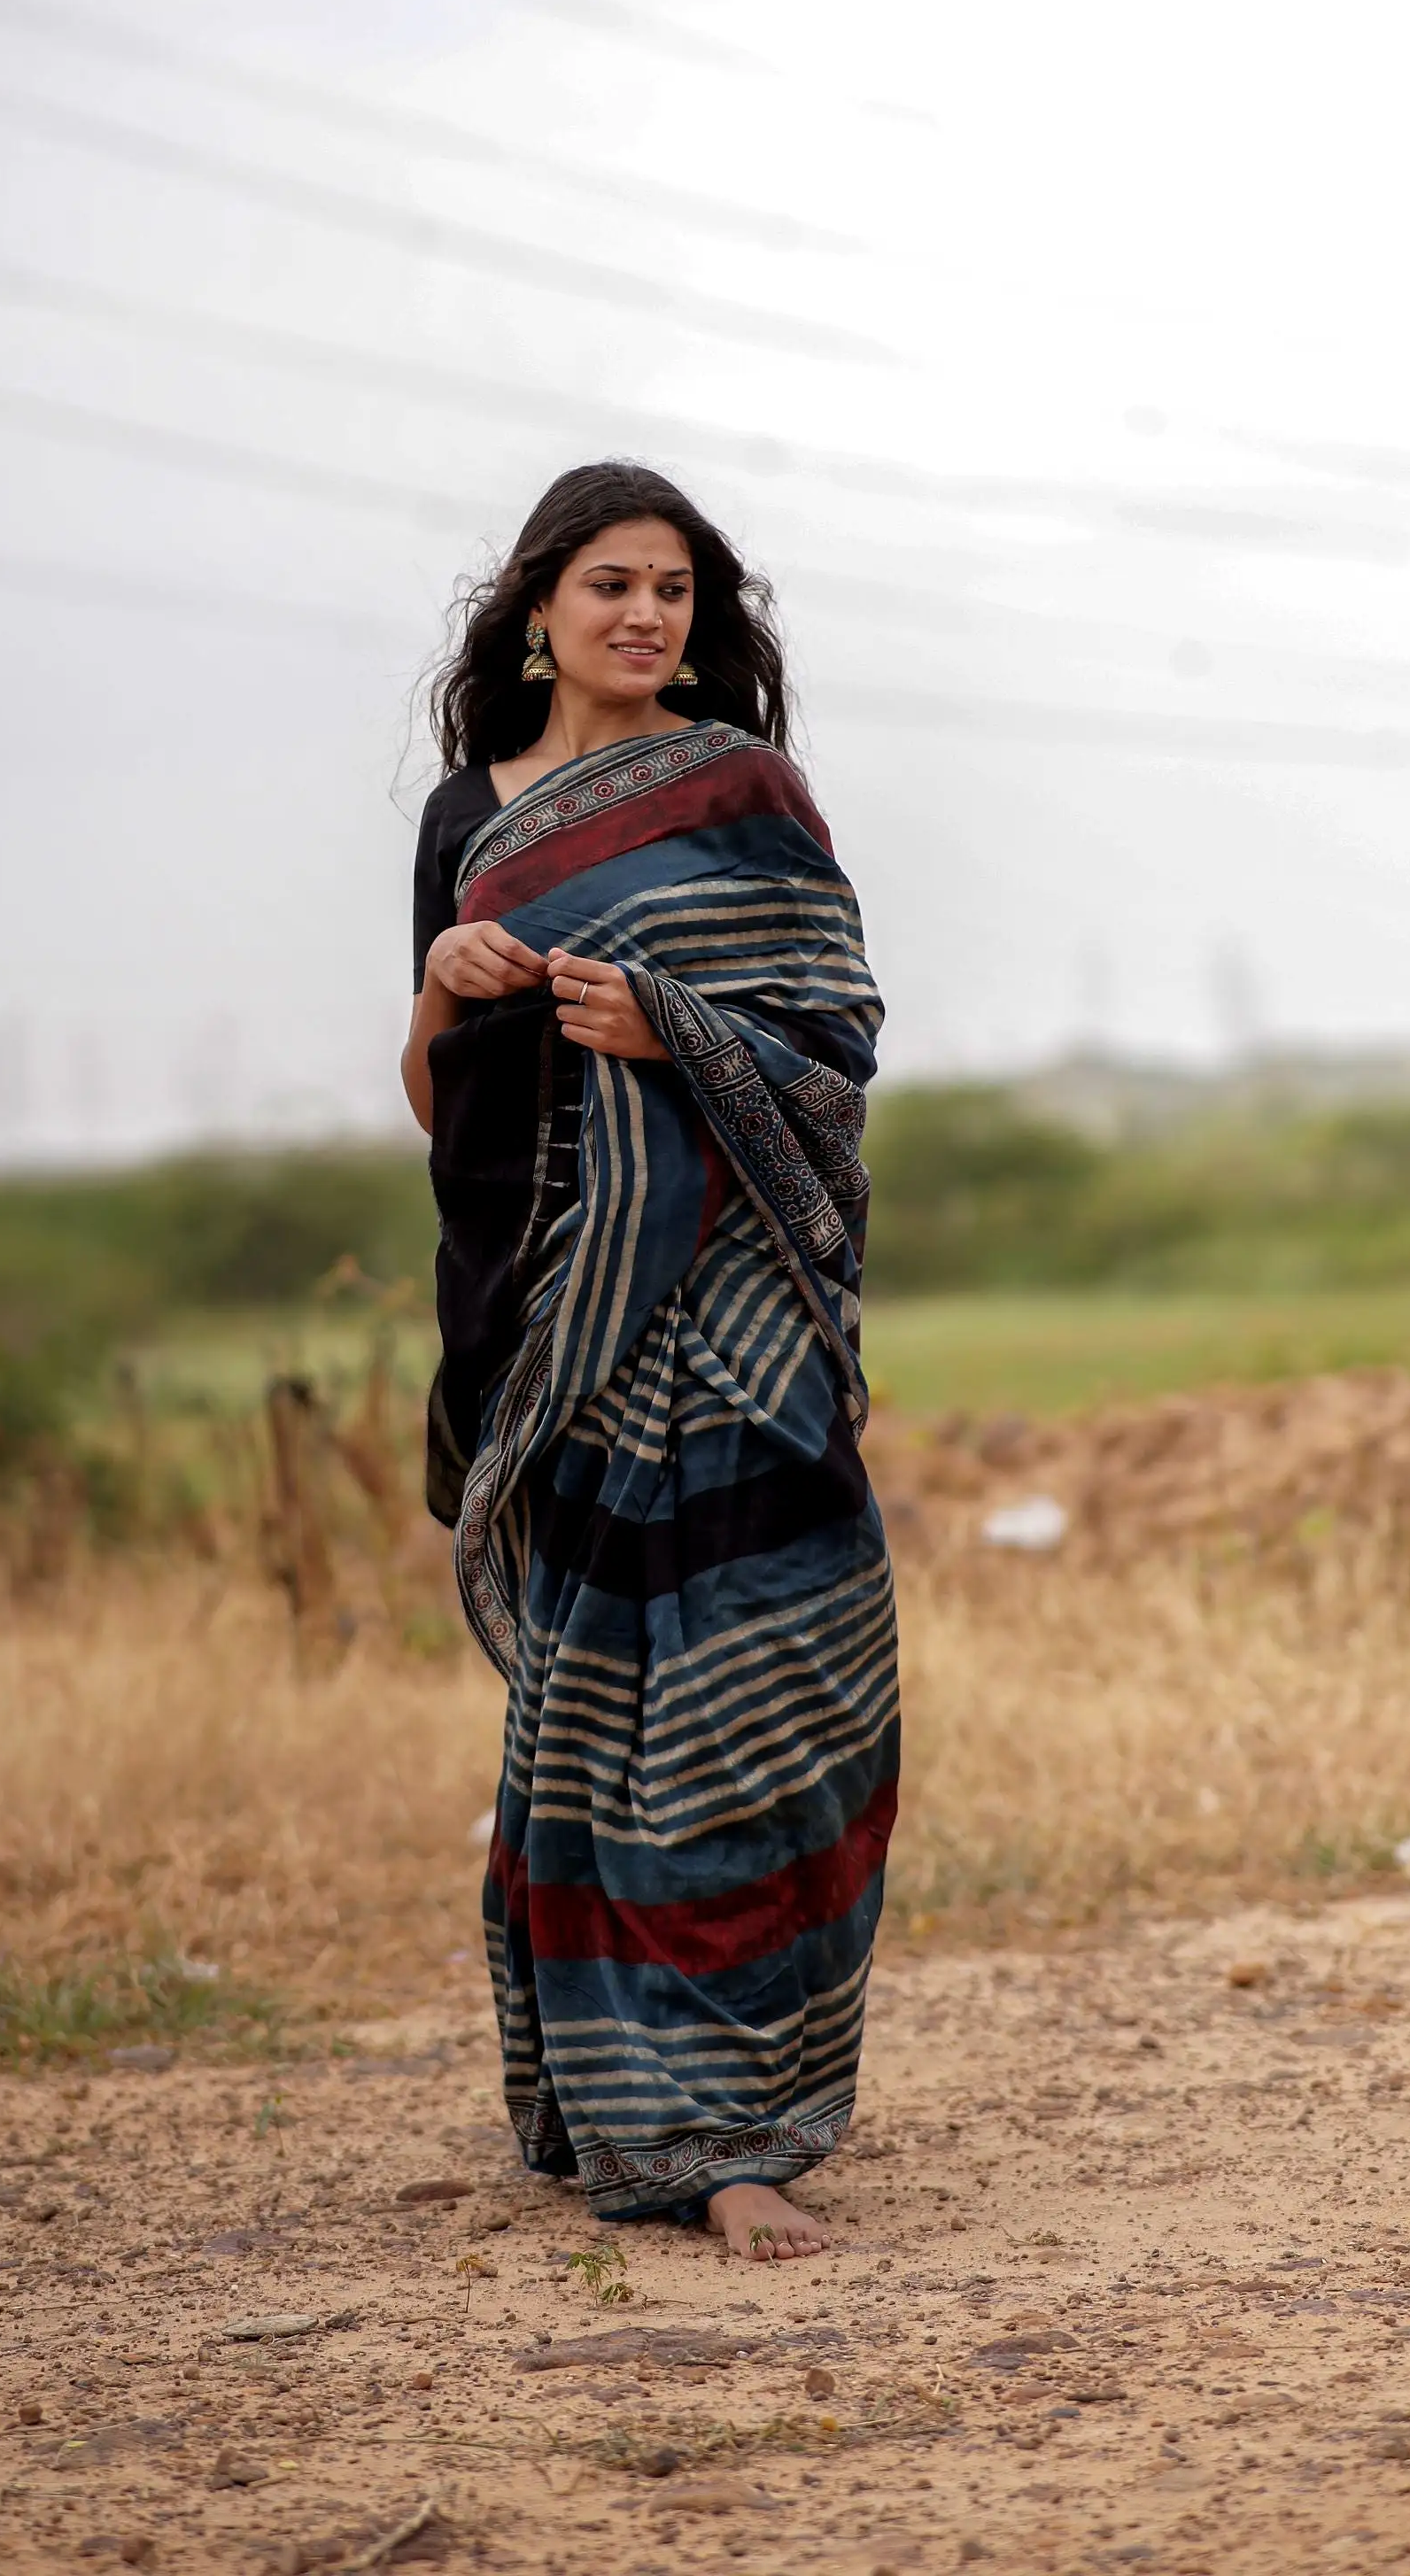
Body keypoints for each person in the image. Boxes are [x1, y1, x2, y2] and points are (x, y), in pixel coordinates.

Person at [402, 460, 899, 2264]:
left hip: (743, 1317)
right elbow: (426, 1094)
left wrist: (668, 1029)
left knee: (779, 1702)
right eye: (609, 584)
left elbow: (832, 1054)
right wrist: (458, 984)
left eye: (673, 591)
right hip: (569, 1321)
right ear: (535, 604)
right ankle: (643, 2118)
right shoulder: (470, 816)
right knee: (601, 1726)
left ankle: (746, 2110)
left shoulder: (745, 795)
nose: (643, 616)